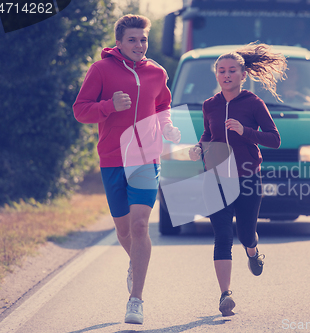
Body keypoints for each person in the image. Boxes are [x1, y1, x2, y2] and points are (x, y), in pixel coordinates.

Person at [73, 14, 180, 325]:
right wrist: (108, 106)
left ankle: (136, 300)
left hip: (147, 158)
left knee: (139, 226)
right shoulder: (101, 70)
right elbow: (80, 110)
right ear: (119, 42)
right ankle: (136, 261)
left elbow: (162, 107)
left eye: (143, 39)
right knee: (123, 230)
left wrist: (169, 129)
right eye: (132, 39)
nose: (139, 45)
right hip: (112, 158)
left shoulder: (157, 73)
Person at [189, 42, 285, 316]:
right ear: (216, 75)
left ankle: (253, 252)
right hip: (217, 178)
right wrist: (199, 147)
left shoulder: (254, 104)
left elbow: (275, 140)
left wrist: (245, 131)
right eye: (221, 71)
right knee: (222, 235)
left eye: (232, 70)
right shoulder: (210, 105)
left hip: (248, 178)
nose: (226, 75)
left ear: (243, 75)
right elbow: (208, 135)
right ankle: (225, 295)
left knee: (244, 234)